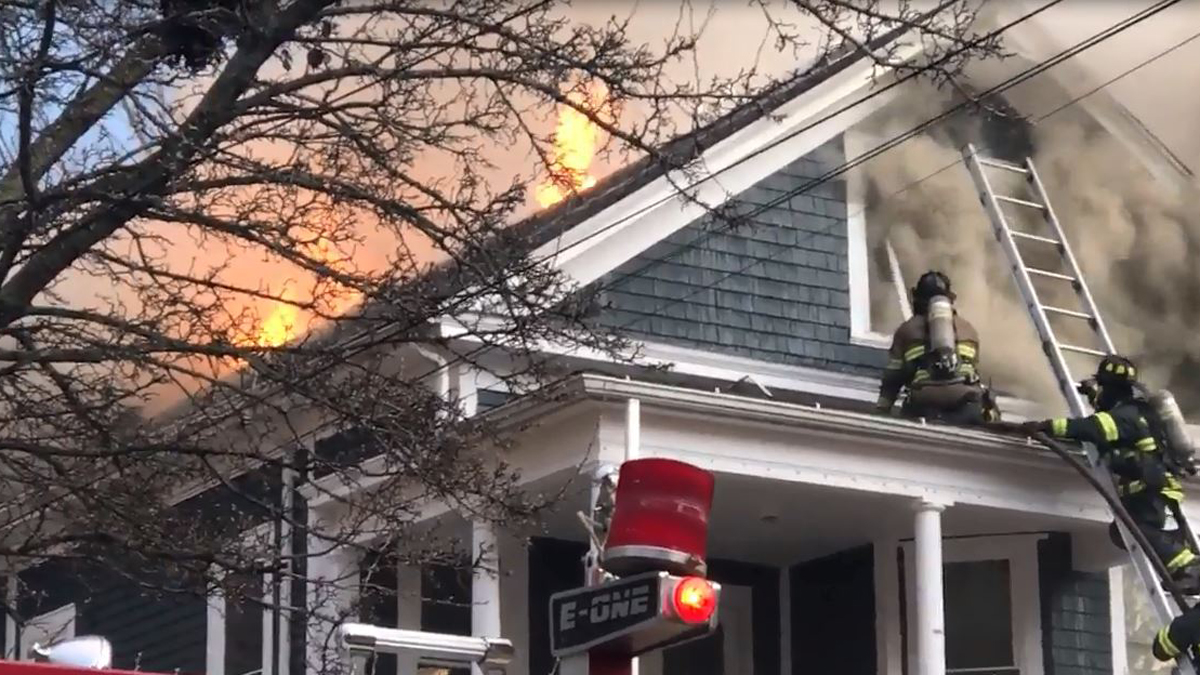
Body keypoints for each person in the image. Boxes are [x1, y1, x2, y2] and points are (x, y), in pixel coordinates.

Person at [1020, 354, 1200, 594]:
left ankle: (1190, 570)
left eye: (1103, 387)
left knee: (1145, 532)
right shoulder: (1138, 411)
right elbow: (1108, 416)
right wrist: (1092, 395)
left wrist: (1047, 426)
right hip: (1154, 488)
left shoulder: (1124, 417)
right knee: (1128, 533)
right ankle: (1187, 573)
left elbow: (1091, 428)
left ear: (1112, 388)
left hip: (1148, 490)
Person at [876, 270, 999, 425]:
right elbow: (973, 372)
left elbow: (893, 378)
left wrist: (882, 409)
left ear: (916, 298)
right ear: (950, 299)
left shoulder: (907, 330)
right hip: (967, 406)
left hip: (923, 405)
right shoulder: (968, 330)